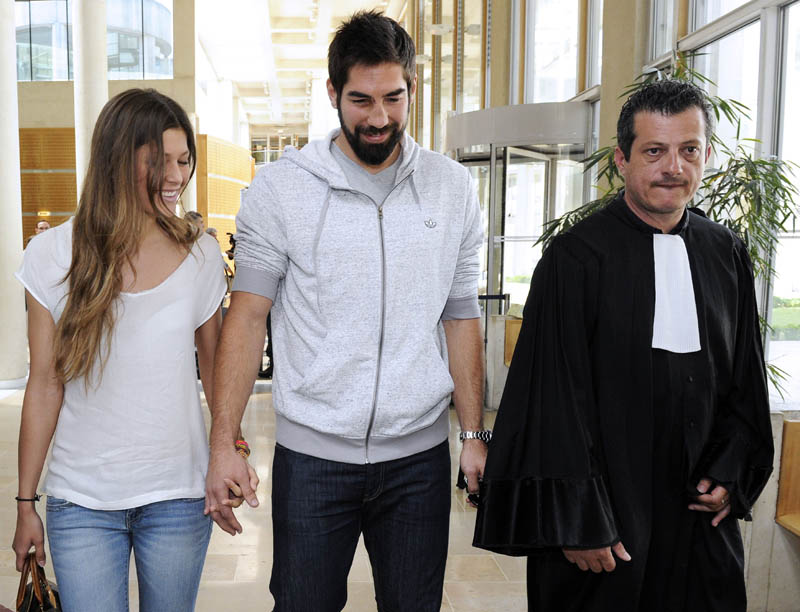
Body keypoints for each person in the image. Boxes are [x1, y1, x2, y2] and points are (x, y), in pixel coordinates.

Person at [204, 10, 486, 610]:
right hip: (313, 459)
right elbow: (247, 316)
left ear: (414, 89)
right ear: (332, 93)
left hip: (418, 460)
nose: (379, 118)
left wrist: (473, 433)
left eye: (394, 97)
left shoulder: (452, 188)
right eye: (360, 100)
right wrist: (223, 442)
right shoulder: (281, 189)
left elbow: (461, 316)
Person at [473, 79, 774, 612]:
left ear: (705, 155)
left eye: (688, 150)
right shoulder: (574, 259)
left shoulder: (725, 252)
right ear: (622, 158)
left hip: (698, 519)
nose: (672, 168)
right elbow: (549, 405)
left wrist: (731, 474)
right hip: (605, 524)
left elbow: (743, 380)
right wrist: (576, 520)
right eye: (654, 151)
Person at [11, 88, 237, 612]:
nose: (177, 176)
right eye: (160, 162)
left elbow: (220, 370)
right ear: (118, 158)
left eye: (184, 161)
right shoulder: (51, 255)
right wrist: (26, 503)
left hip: (178, 496)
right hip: (82, 501)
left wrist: (231, 452)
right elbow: (44, 384)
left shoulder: (200, 254)